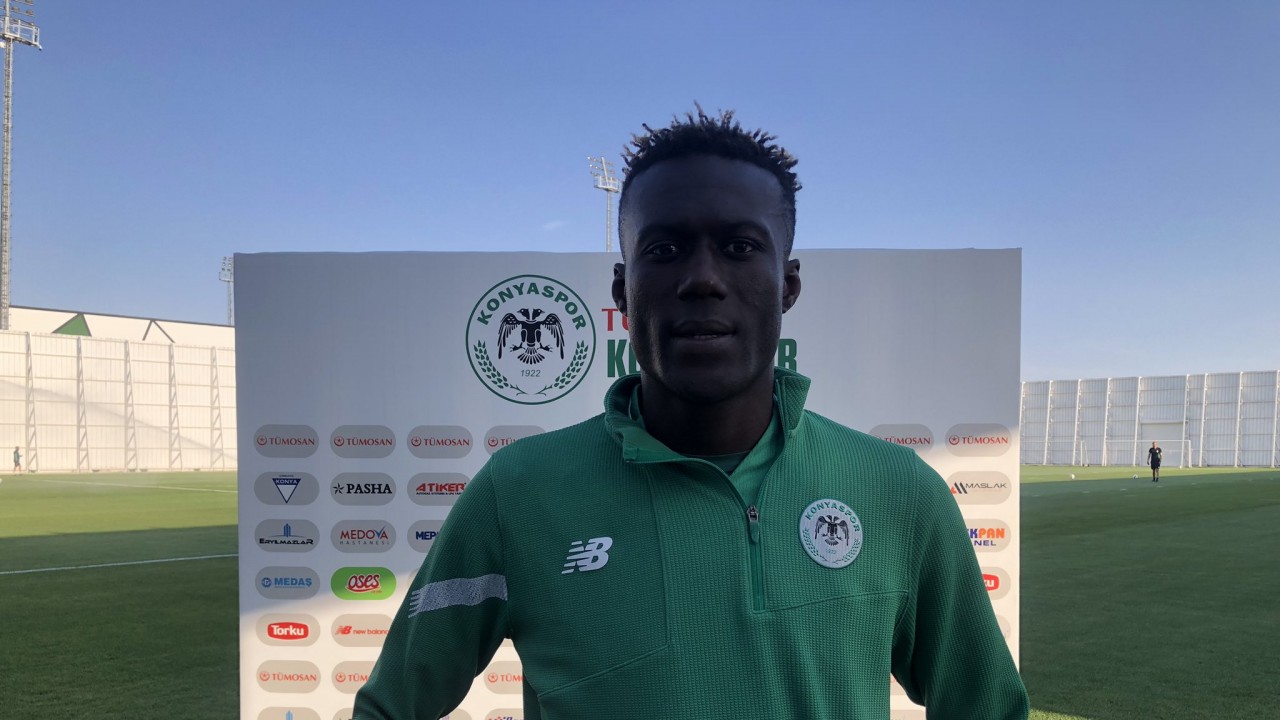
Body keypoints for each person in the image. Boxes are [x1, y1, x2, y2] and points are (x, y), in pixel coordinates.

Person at [354, 108, 1029, 719]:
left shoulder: (898, 492)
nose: (702, 278)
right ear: (623, 290)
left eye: (739, 247)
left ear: (788, 284)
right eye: (664, 249)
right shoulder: (518, 492)